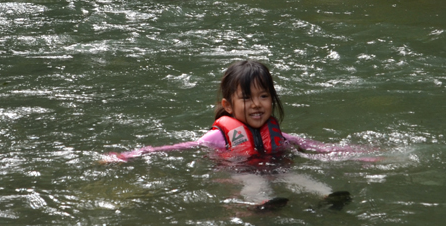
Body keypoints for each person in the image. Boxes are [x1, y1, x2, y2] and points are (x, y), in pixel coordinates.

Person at [104, 60, 367, 211]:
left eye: (264, 96)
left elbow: (317, 147)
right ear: (228, 106)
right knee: (252, 181)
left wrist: (362, 155)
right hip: (240, 170)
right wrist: (128, 155)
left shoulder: (279, 135)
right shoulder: (217, 138)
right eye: (247, 98)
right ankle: (263, 203)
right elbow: (178, 147)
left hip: (277, 168)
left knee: (300, 177)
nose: (257, 104)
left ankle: (328, 196)